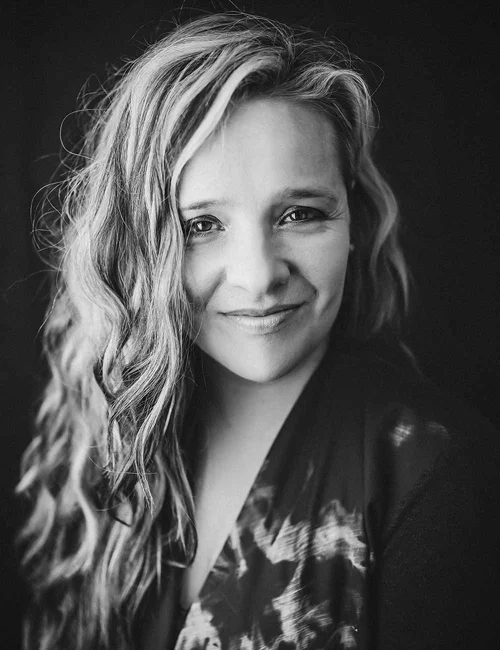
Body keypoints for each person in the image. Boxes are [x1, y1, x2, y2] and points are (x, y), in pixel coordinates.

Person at [16, 11, 500, 650]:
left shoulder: (441, 479)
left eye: (299, 213)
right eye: (201, 226)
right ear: (136, 245)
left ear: (354, 222)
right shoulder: (98, 438)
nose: (259, 276)